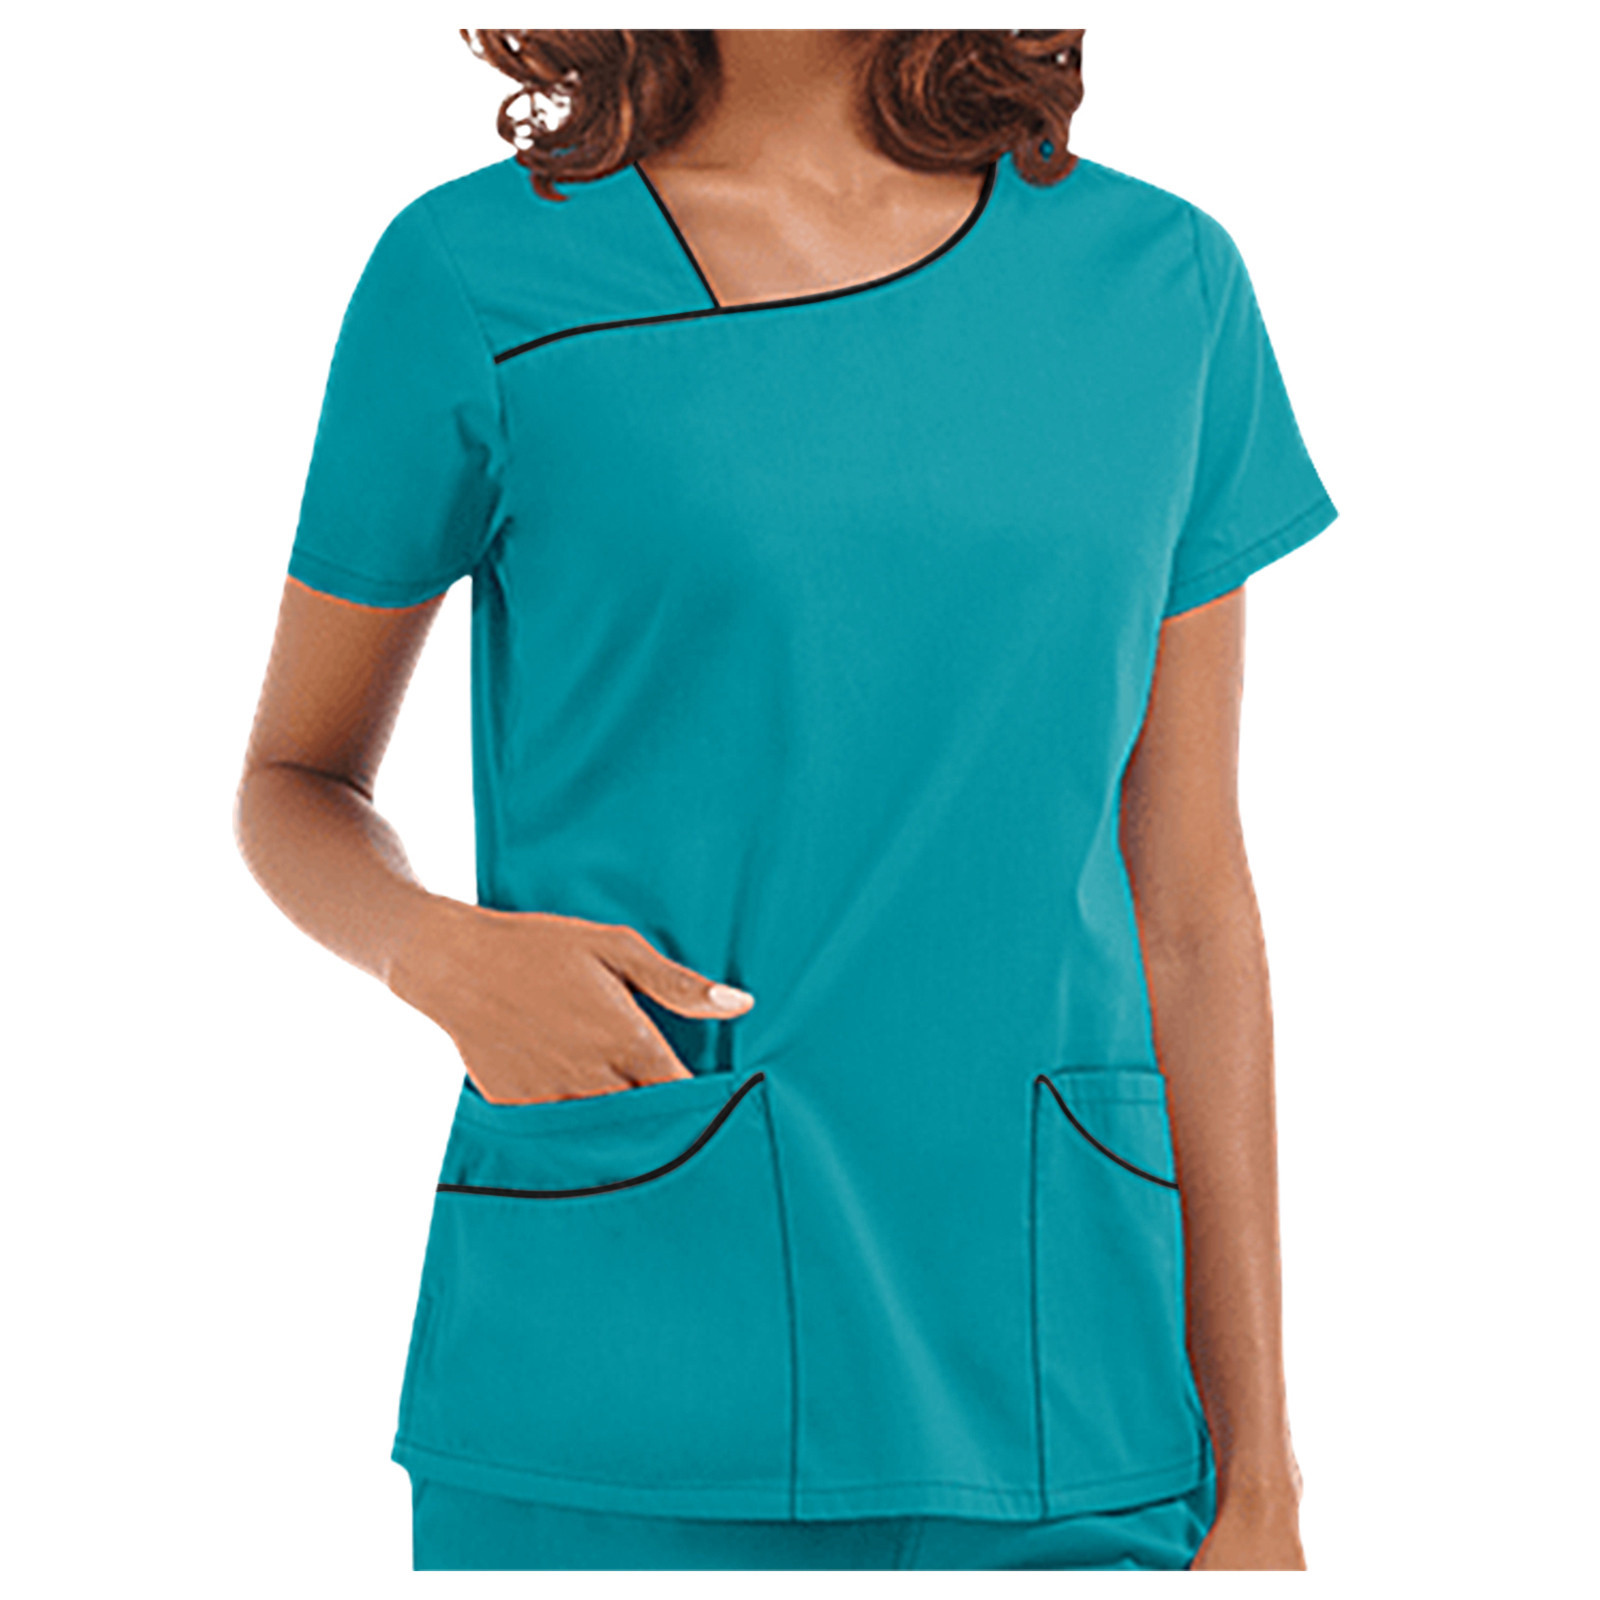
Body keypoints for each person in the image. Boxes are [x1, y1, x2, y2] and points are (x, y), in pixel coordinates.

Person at [235, 28, 1336, 1572]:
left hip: (1063, 1373)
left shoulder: (1161, 285)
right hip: (622, 1356)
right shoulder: (478, 272)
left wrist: (1264, 1472)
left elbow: (1195, 907)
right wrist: (437, 953)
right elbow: (292, 780)